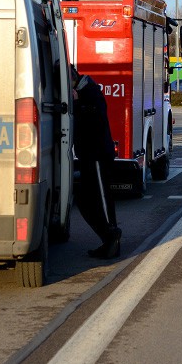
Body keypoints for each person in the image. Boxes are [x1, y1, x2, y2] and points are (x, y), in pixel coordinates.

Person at [71, 65, 122, 259]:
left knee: (101, 197)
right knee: (85, 200)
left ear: (73, 79)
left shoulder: (90, 92)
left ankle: (112, 236)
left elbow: (92, 119)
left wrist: (76, 105)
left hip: (97, 154)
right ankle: (108, 237)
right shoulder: (85, 91)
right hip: (88, 155)